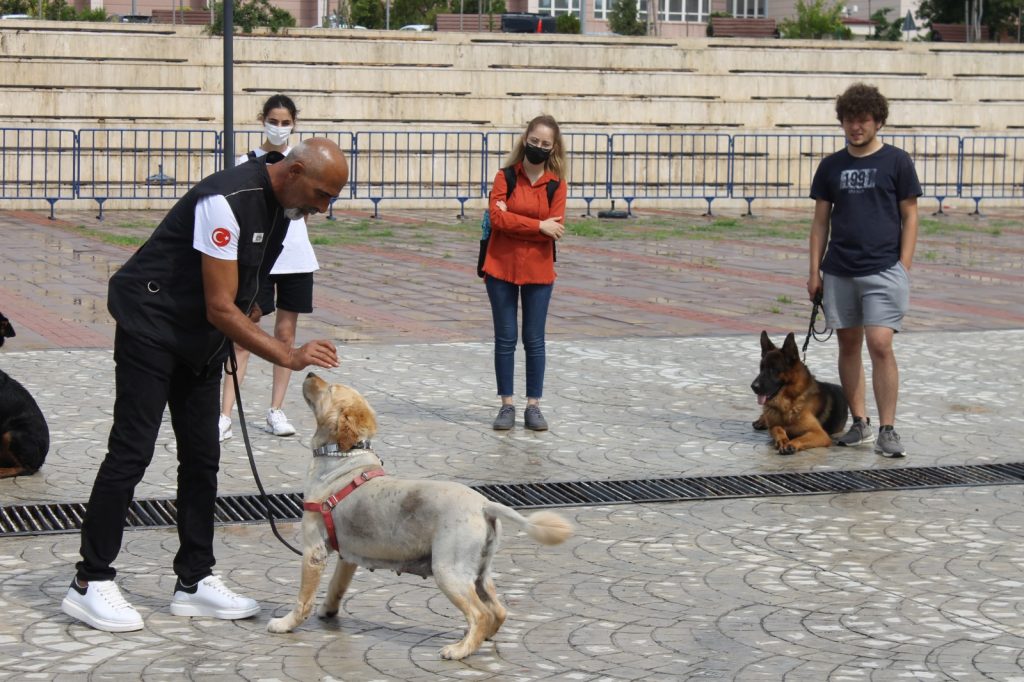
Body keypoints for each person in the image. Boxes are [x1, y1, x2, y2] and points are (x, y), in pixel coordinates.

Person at [61, 138, 349, 633]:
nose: (323, 209)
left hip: (198, 338)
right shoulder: (225, 199)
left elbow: (248, 284)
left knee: (202, 456)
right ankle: (90, 582)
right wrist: (287, 354)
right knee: (131, 451)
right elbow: (220, 305)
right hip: (151, 325)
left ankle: (193, 581)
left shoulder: (284, 207)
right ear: (296, 170)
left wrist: (253, 306)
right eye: (322, 194)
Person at [807, 83, 921, 458]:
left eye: (863, 120)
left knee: (881, 344)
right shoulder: (831, 166)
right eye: (850, 120)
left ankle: (888, 428)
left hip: (884, 269)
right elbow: (820, 222)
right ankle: (860, 423)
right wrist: (814, 272)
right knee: (848, 344)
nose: (856, 127)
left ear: (878, 122)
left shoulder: (897, 161)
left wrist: (903, 265)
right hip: (839, 270)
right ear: (842, 122)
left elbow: (910, 214)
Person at [220, 94, 319, 440]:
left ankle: (276, 409)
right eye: (273, 121)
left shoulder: (302, 162)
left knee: (285, 336)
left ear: (294, 124)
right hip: (258, 257)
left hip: (295, 257)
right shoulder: (246, 163)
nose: (279, 128)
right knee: (243, 335)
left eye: (286, 122)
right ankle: (225, 414)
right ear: (263, 120)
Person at [480, 114, 567, 432]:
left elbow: (556, 228)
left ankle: (534, 405)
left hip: (539, 271)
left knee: (534, 340)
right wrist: (537, 225)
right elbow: (497, 219)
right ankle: (506, 405)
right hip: (501, 267)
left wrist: (516, 219)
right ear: (524, 140)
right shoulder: (505, 177)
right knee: (504, 339)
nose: (538, 147)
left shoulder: (556, 184)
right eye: (534, 141)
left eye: (545, 144)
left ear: (554, 147)